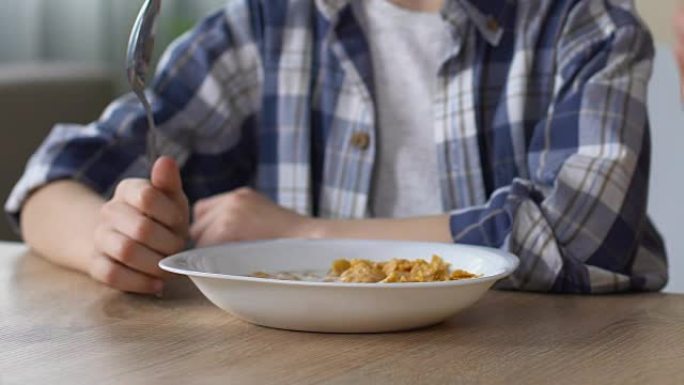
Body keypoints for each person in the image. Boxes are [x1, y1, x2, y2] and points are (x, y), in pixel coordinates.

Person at [6, 0, 667, 295]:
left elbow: (584, 232)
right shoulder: (266, 25)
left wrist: (309, 237)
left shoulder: (586, 23)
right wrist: (111, 235)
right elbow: (56, 175)